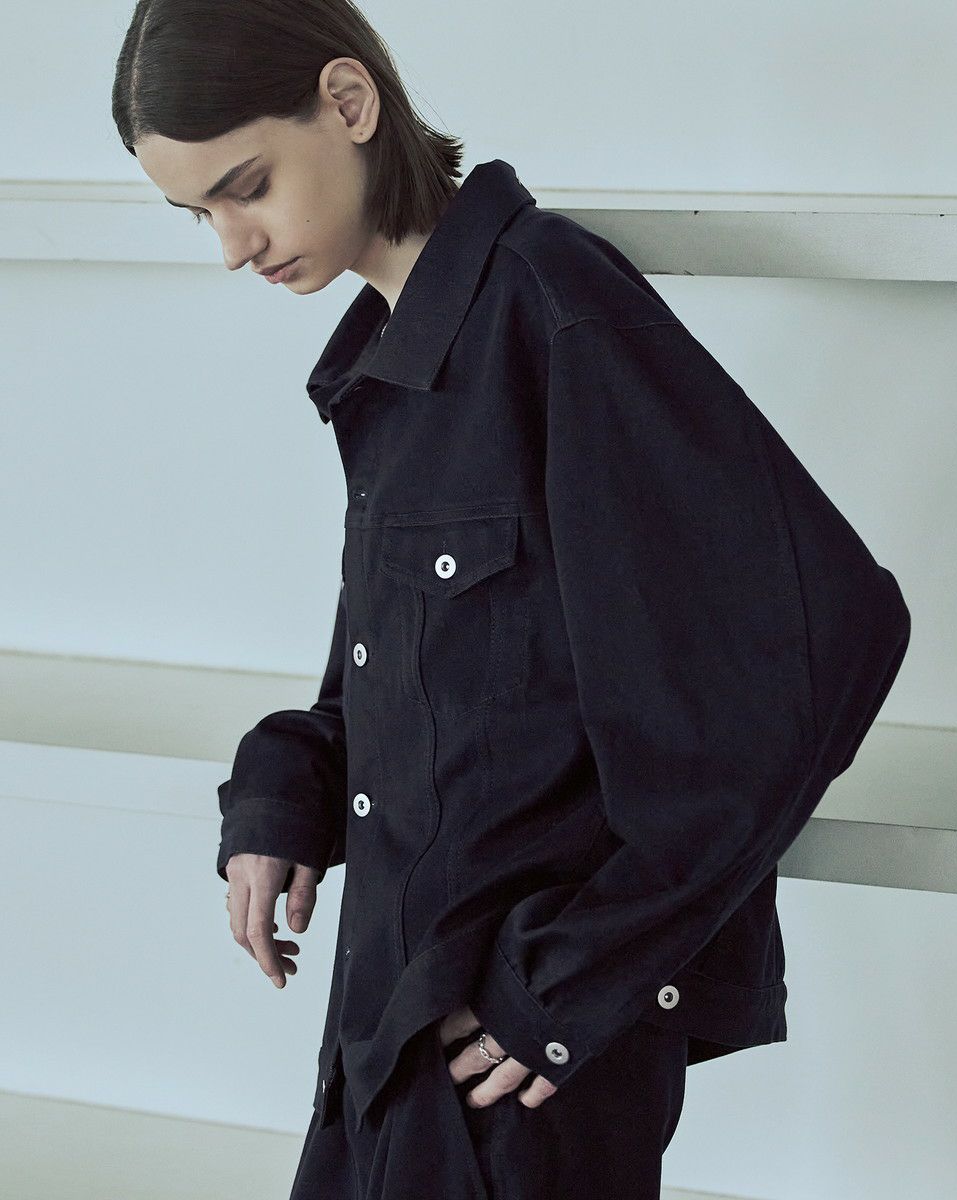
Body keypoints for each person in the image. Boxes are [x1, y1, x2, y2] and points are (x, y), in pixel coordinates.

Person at [113, 3, 912, 1197]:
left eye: (247, 187)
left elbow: (827, 644)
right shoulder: (391, 366)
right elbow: (422, 688)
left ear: (348, 103)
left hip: (515, 1074)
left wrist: (571, 981)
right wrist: (285, 795)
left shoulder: (554, 304)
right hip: (390, 1029)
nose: (232, 245)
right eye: (198, 214)